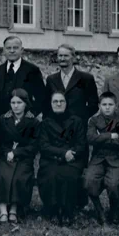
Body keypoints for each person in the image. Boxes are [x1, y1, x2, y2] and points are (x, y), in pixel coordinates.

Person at [44, 43, 99, 208]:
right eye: (60, 55)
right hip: (58, 128)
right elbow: (47, 104)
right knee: (58, 164)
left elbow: (94, 103)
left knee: (78, 163)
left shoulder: (85, 78)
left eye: (66, 55)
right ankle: (56, 202)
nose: (62, 58)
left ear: (73, 57)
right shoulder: (51, 79)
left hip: (78, 128)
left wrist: (81, 119)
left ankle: (79, 202)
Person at [0, 36, 46, 150]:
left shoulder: (32, 70)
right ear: (3, 50)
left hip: (22, 125)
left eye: (15, 48)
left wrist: (30, 115)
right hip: (0, 124)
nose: (12, 50)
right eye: (8, 48)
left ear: (22, 50)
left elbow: (42, 98)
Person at [38, 92, 87, 226]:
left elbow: (81, 144)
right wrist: (62, 153)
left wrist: (71, 154)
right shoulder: (46, 122)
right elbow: (43, 145)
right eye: (55, 101)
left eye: (61, 101)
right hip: (51, 158)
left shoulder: (76, 121)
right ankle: (52, 209)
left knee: (68, 176)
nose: (58, 104)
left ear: (66, 103)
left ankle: (67, 211)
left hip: (73, 159)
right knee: (51, 175)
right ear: (51, 104)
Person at [0, 89, 40, 224]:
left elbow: (34, 145)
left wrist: (16, 153)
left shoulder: (33, 121)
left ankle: (14, 209)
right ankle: (3, 210)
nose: (15, 106)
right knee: (2, 174)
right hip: (5, 155)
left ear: (25, 103)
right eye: (13, 102)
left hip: (24, 157)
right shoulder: (3, 119)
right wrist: (7, 152)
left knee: (19, 176)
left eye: (19, 102)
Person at [85, 92, 119, 225]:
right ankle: (100, 211)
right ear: (99, 106)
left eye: (110, 104)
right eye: (104, 104)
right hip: (98, 158)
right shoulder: (93, 120)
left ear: (116, 106)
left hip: (116, 159)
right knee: (88, 181)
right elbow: (90, 139)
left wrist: (101, 136)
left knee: (114, 184)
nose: (107, 107)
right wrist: (110, 135)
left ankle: (114, 210)